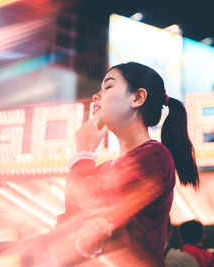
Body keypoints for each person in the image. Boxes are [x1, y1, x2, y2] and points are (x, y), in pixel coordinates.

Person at [51, 62, 199, 266]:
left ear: (138, 97)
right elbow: (69, 227)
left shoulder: (155, 156)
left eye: (108, 87)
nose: (96, 96)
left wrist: (84, 152)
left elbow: (87, 211)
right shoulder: (104, 168)